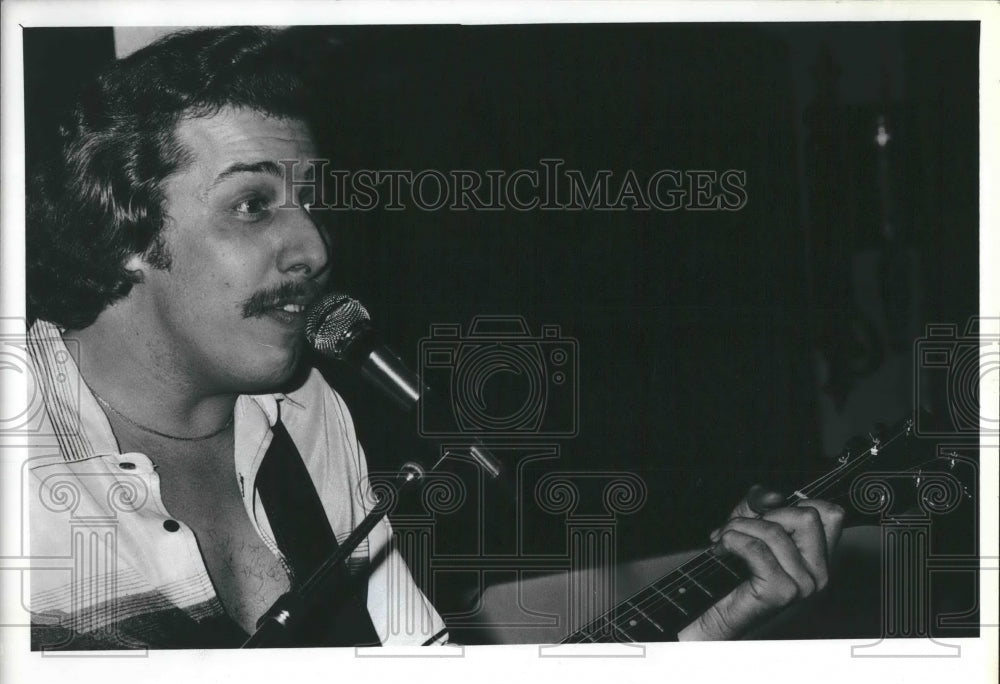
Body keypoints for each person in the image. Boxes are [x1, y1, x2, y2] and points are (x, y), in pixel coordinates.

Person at [25, 26, 844, 650]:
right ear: (120, 226)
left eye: (312, 200)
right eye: (252, 205)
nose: (314, 246)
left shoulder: (307, 414)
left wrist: (713, 618)